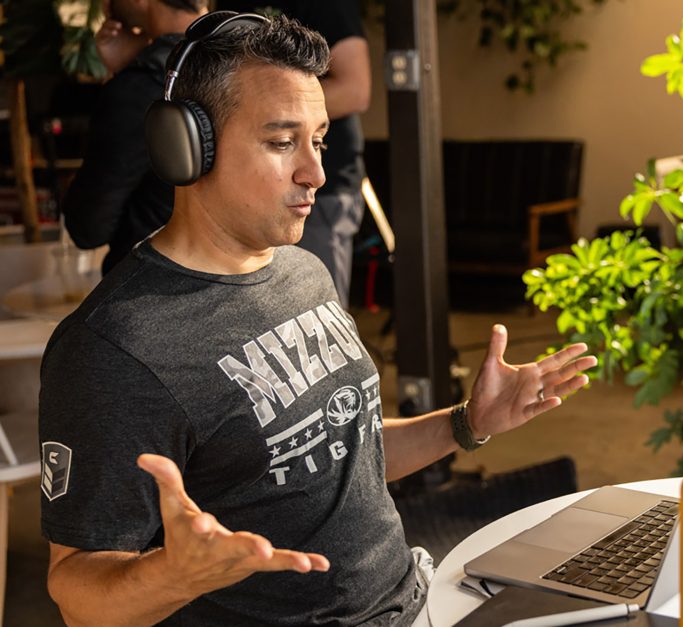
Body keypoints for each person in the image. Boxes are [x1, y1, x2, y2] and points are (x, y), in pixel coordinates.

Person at [39, 12, 596, 626]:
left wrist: (468, 423)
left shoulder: (302, 270)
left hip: (416, 600)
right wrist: (173, 575)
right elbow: (77, 593)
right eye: (282, 143)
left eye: (320, 140)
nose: (317, 174)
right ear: (188, 149)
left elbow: (342, 453)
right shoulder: (113, 349)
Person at [218, 0, 371, 308]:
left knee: (312, 328)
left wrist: (267, 109)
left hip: (320, 201)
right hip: (248, 191)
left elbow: (356, 89)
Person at [63, 0, 207, 274]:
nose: (105, 4)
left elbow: (88, 228)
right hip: (242, 283)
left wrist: (129, 75)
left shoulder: (141, 86)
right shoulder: (244, 57)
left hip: (153, 291)